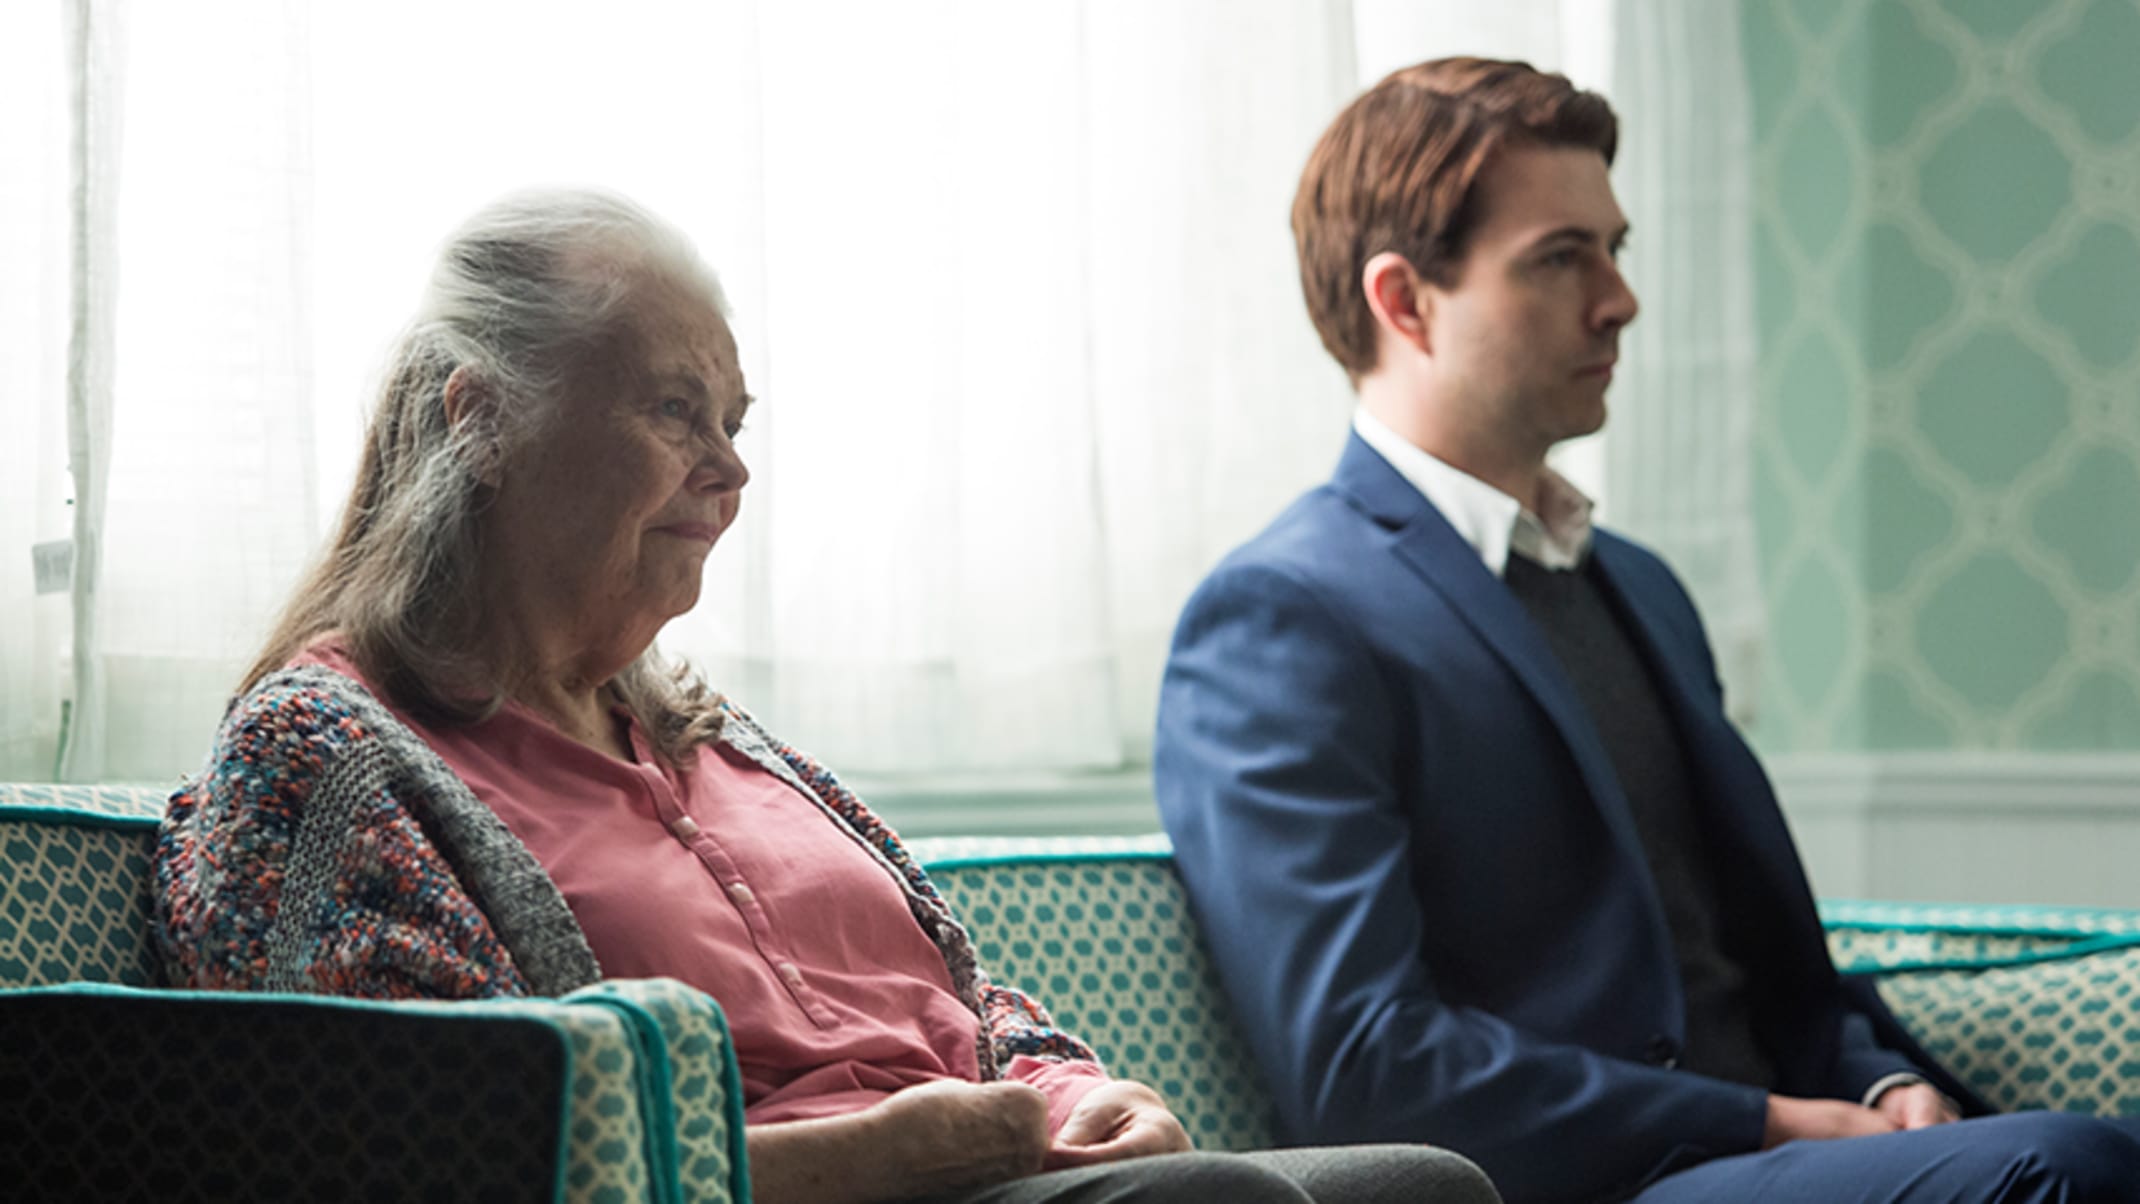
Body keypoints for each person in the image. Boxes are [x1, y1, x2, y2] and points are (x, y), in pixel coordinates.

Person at [151, 189, 1498, 1204]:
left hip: (995, 1174)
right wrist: (887, 1154)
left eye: (738, 423)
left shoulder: (724, 740)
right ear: (482, 420)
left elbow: (979, 1005)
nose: (729, 473)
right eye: (676, 412)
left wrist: (1075, 1089)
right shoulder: (325, 748)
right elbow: (447, 1150)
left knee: (1427, 1187)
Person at [1151, 57, 2140, 1204]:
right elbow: (1360, 1066)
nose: (1618, 298)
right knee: (2061, 1169)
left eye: (1615, 250)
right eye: (1561, 258)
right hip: (1575, 1188)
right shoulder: (1282, 615)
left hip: (1761, 1164)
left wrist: (1874, 1088)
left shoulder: (1639, 588)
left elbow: (1769, 978)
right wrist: (1770, 1119)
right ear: (1402, 300)